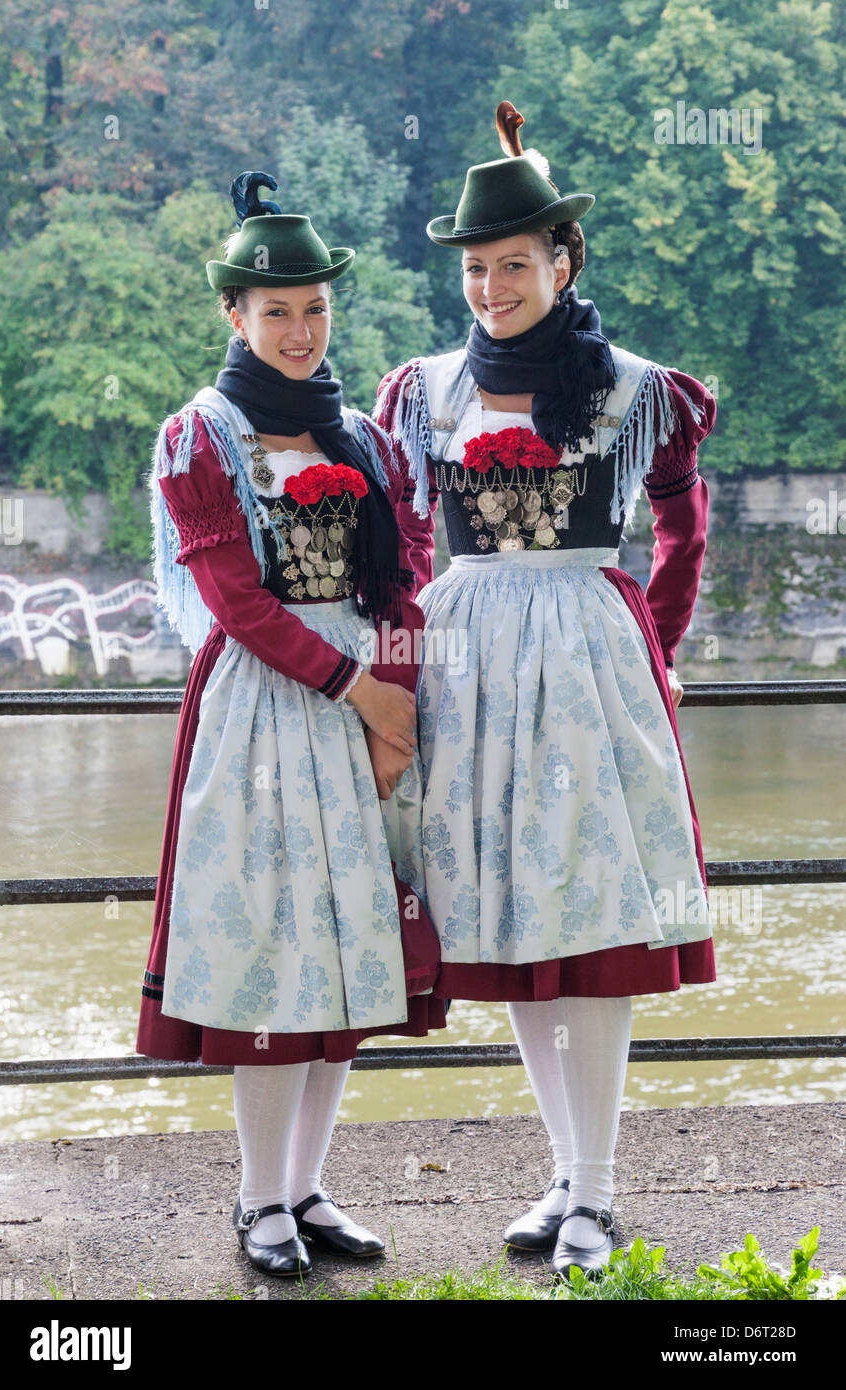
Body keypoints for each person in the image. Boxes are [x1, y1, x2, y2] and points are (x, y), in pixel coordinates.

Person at [373, 103, 716, 1279]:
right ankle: (564, 1175)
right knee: (516, 920)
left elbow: (679, 518)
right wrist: (402, 665)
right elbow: (406, 545)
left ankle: (600, 1190)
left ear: (561, 261)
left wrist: (653, 637)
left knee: (594, 922)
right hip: (470, 664)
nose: (488, 287)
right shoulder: (423, 389)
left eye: (510, 265)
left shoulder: (631, 387)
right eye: (473, 268)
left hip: (583, 655)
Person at [136, 171, 445, 1279]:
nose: (301, 330)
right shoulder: (200, 434)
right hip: (265, 710)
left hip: (365, 711)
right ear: (234, 316)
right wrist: (358, 690)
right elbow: (237, 602)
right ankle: (255, 1200)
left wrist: (398, 705)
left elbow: (405, 580)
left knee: (346, 954)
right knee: (272, 958)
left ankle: (308, 1189)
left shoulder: (362, 434)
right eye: (277, 311)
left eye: (316, 309)